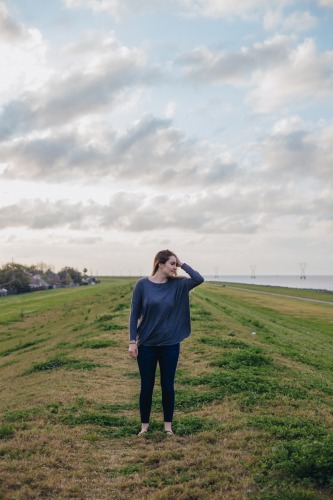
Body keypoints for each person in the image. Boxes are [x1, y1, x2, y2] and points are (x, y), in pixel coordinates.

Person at [128, 250, 204, 436]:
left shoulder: (178, 285)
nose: (175, 268)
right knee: (146, 385)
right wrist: (132, 341)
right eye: (171, 264)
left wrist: (181, 262)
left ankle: (167, 427)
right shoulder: (142, 285)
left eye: (175, 264)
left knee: (167, 385)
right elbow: (133, 314)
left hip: (170, 343)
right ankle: (144, 426)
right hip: (146, 343)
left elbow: (199, 279)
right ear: (160, 264)